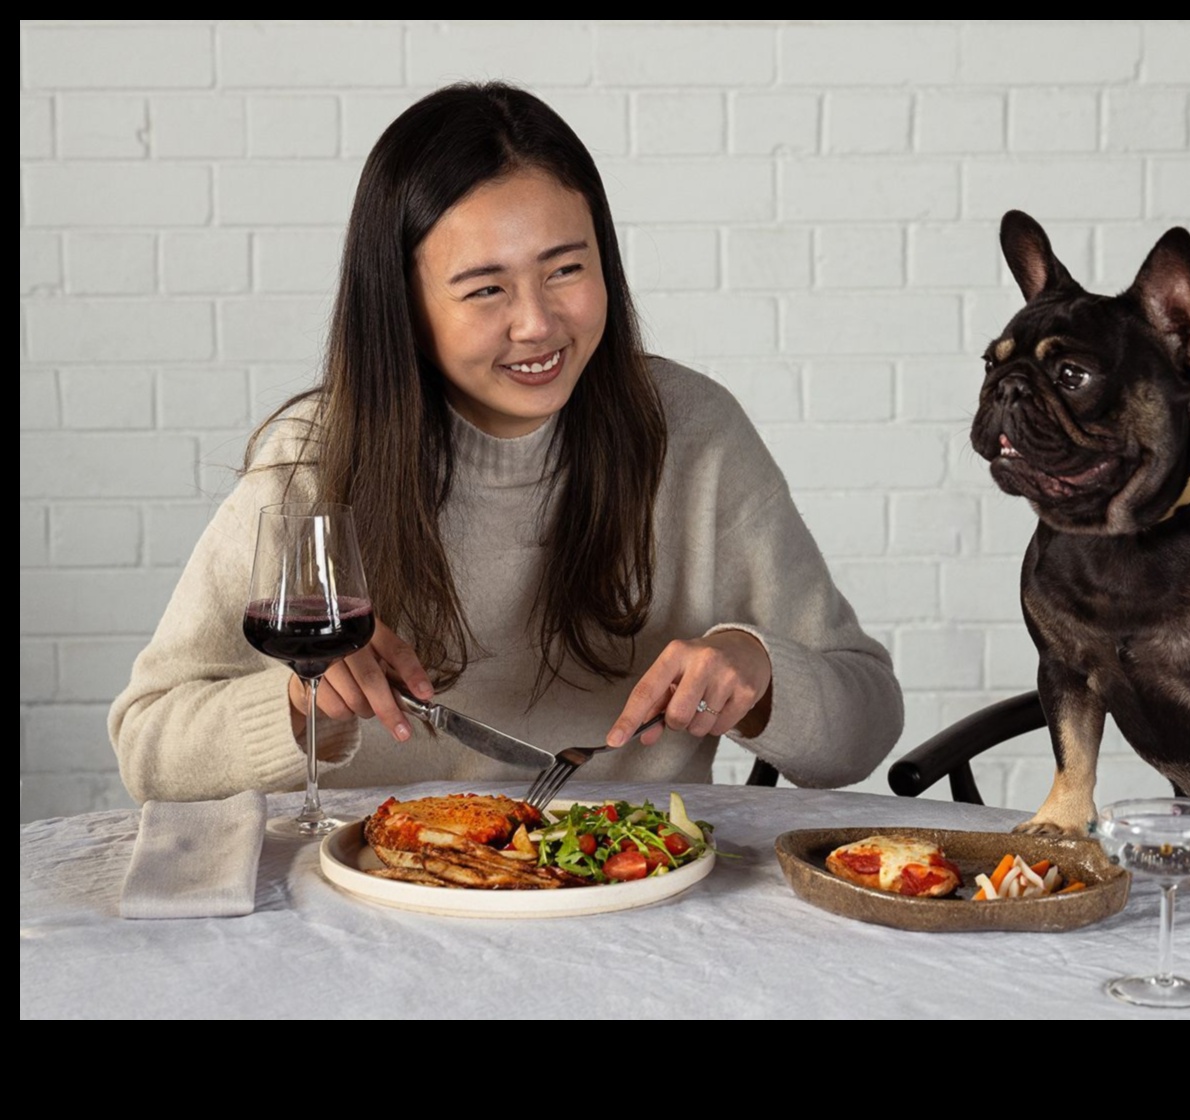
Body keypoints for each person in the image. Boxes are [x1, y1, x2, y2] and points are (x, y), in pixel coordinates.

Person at [109, 82, 904, 803]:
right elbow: (147, 744)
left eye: (565, 269)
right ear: (404, 306)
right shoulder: (313, 459)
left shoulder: (694, 433)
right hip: (370, 900)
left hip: (626, 896)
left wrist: (760, 672)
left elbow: (864, 728)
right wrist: (295, 704)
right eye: (486, 289)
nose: (537, 323)